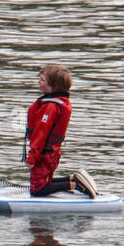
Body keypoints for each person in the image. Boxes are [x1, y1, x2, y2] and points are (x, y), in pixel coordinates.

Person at [24, 64, 98, 198]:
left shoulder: (50, 107)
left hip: (45, 154)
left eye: (42, 80)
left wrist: (32, 157)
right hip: (51, 152)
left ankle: (75, 184)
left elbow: (40, 134)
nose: (38, 82)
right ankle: (72, 179)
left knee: (37, 190)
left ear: (54, 86)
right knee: (43, 182)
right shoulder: (58, 103)